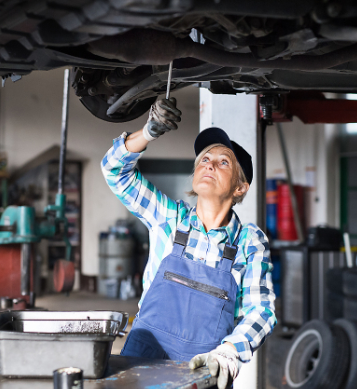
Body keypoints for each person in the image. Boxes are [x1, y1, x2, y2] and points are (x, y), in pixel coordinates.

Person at [101, 97, 277, 389]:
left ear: (240, 187)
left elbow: (261, 309)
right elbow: (114, 171)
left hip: (204, 372)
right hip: (141, 365)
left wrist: (229, 352)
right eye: (204, 160)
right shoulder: (169, 219)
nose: (209, 165)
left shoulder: (249, 242)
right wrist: (148, 132)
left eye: (223, 162)